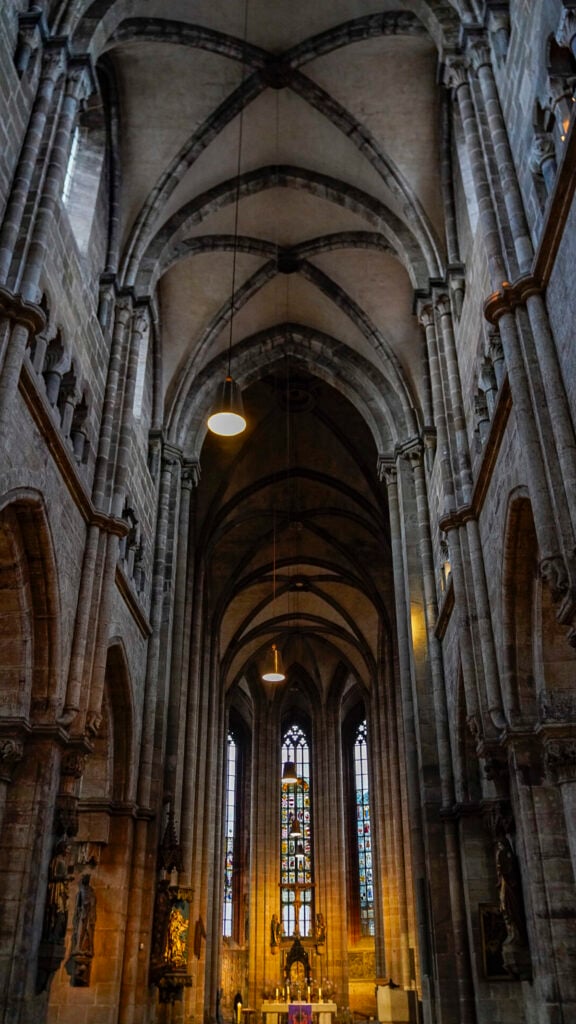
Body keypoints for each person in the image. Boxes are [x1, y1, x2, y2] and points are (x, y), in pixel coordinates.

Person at [72, 874, 97, 956]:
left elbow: (92, 902)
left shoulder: (90, 891)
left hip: (88, 915)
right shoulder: (81, 891)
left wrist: (88, 907)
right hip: (83, 915)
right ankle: (79, 947)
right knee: (80, 930)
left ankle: (89, 948)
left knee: (89, 931)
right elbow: (78, 905)